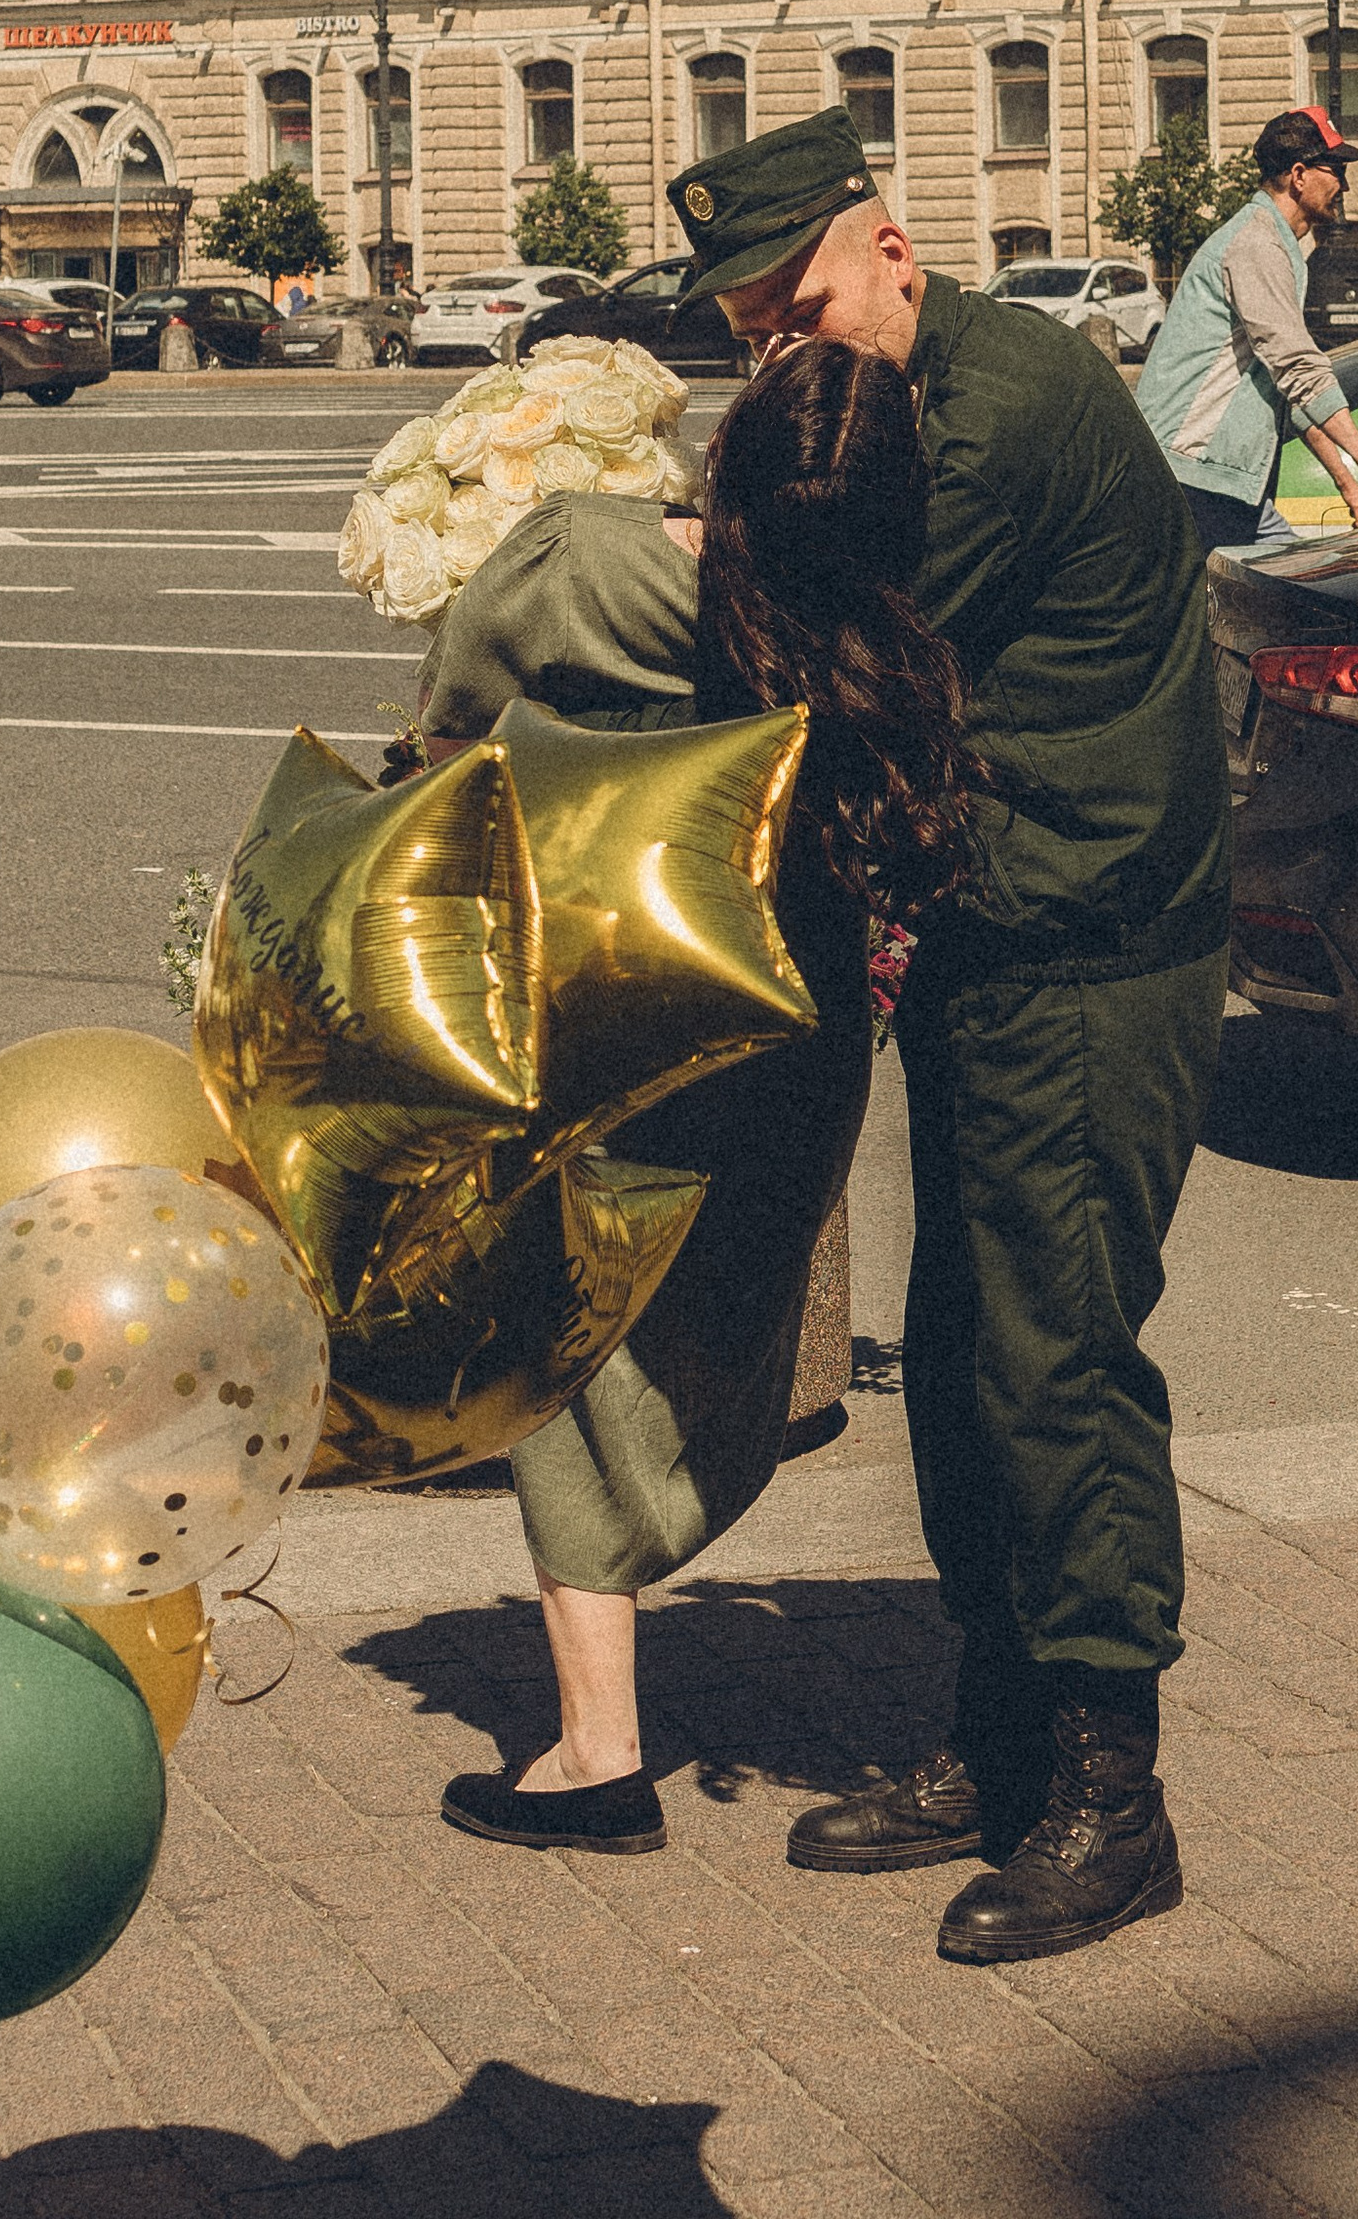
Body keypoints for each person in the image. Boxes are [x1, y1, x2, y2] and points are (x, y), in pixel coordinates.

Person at [662, 105, 1230, 1965]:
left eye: (799, 302)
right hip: (1004, 932)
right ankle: (996, 1746)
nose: (782, 350)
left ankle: (1107, 1797)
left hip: (1086, 943)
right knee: (981, 1363)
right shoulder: (918, 383)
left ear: (889, 246)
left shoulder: (980, 427)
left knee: (1052, 1363)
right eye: (751, 328)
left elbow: (805, 664)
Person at [423, 339, 984, 1860]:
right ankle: (659, 1547)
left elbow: (450, 721)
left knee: (561, 1343)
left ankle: (598, 1749)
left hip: (599, 1018)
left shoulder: (583, 570)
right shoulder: (890, 652)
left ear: (725, 467)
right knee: (695, 1348)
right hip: (785, 1050)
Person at [1135, 105, 1358, 552]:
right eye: (1337, 170)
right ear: (1300, 175)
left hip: (1224, 479)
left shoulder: (1275, 245)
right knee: (1258, 606)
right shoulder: (1255, 245)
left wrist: (1350, 488)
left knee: (1280, 598)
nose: (1343, 185)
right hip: (1191, 475)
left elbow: (1288, 386)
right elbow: (1299, 368)